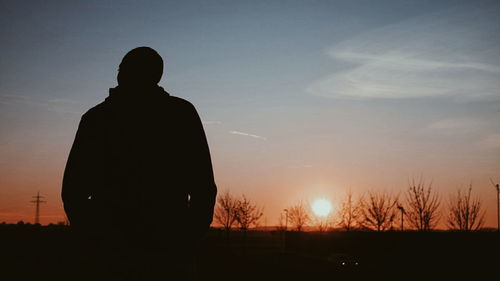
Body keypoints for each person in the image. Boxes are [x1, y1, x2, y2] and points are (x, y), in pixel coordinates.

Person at [62, 47, 217, 280]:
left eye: (124, 67)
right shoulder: (180, 114)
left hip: (129, 250)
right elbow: (203, 186)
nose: (121, 73)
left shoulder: (97, 118)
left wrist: (94, 237)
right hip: (155, 249)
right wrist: (186, 239)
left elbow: (73, 190)